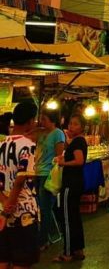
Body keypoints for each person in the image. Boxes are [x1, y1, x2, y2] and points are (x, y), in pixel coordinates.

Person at [0, 100, 40, 268]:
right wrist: (10, 204)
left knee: (2, 260)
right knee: (21, 262)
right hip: (23, 213)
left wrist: (3, 202)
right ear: (31, 121)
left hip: (1, 213)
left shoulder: (1, 144)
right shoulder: (28, 146)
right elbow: (21, 177)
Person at [55, 114, 88, 262]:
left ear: (82, 127)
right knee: (74, 217)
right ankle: (78, 250)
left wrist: (64, 164)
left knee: (67, 218)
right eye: (70, 123)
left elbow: (79, 161)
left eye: (75, 124)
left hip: (71, 184)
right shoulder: (76, 141)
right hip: (76, 183)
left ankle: (68, 252)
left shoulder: (78, 142)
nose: (71, 126)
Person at [36, 108, 66, 250]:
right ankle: (49, 235)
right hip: (37, 172)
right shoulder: (42, 133)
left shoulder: (58, 134)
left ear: (52, 120)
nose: (41, 121)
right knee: (41, 207)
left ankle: (43, 240)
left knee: (45, 208)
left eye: (44, 119)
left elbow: (59, 156)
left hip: (47, 174)